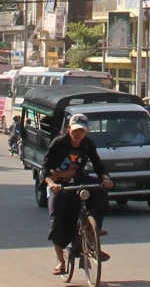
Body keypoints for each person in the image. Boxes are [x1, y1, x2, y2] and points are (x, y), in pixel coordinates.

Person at [43, 114, 110, 276]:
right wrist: (53, 184)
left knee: (99, 191)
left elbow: (98, 165)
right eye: (75, 131)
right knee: (56, 220)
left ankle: (93, 235)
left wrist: (105, 178)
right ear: (69, 129)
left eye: (82, 131)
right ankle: (61, 261)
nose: (78, 135)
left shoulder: (87, 144)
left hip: (78, 180)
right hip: (59, 185)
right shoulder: (59, 143)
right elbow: (45, 169)